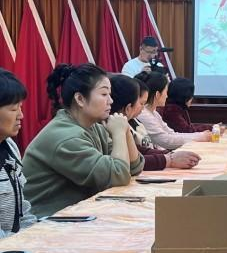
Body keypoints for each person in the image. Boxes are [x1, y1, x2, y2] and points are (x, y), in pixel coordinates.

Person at [23, 63, 144, 217]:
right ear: (80, 99)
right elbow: (118, 175)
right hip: (44, 222)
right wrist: (119, 133)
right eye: (104, 94)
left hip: (75, 216)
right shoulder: (66, 137)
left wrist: (125, 130)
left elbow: (134, 168)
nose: (111, 101)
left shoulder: (94, 127)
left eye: (110, 94)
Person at [110, 75, 201, 170]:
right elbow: (126, 165)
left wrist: (170, 155)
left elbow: (141, 151)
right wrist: (169, 159)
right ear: (128, 107)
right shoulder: (138, 117)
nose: (109, 101)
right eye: (141, 103)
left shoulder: (137, 119)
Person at [0, 69, 36, 238]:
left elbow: (22, 209)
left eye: (20, 107)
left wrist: (37, 234)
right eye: (14, 109)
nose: (21, 115)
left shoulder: (10, 146)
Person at [135, 71, 211, 150]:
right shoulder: (144, 114)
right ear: (157, 94)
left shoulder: (154, 113)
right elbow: (166, 140)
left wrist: (200, 135)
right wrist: (199, 137)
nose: (167, 96)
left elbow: (171, 133)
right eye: (166, 92)